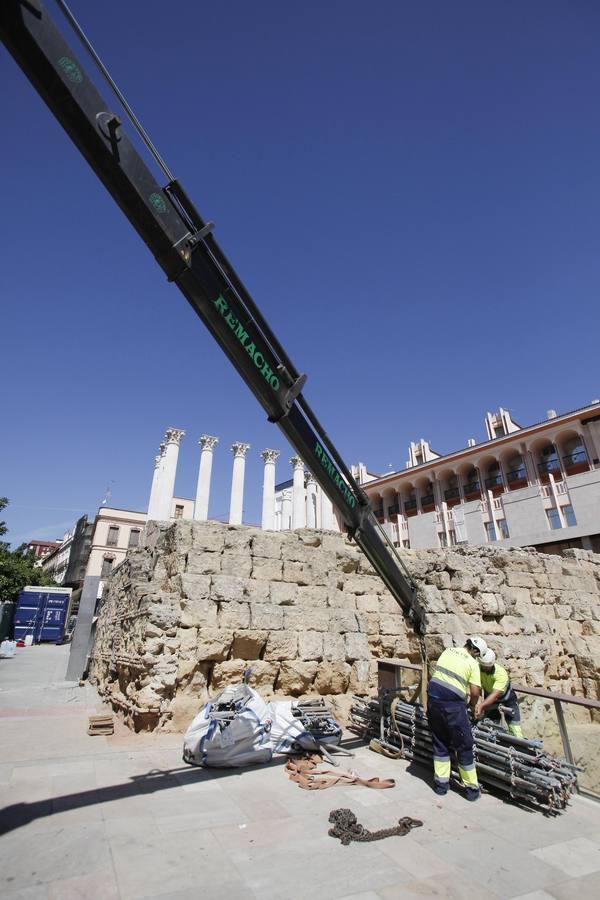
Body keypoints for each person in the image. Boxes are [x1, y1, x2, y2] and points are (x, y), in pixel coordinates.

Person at [427, 636, 487, 801]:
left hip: (433, 699)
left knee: (440, 741)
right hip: (452, 705)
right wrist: (472, 705)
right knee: (464, 745)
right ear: (475, 651)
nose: (476, 657)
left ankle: (441, 786)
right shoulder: (472, 663)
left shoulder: (448, 651)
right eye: (477, 654)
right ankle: (472, 790)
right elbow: (475, 692)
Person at [475, 649, 524, 738]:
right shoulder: (478, 669)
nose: (485, 669)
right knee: (490, 727)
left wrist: (481, 706)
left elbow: (495, 694)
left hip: (507, 700)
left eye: (487, 667)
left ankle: (521, 747)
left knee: (515, 728)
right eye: (483, 666)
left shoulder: (501, 673)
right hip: (490, 700)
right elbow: (476, 686)